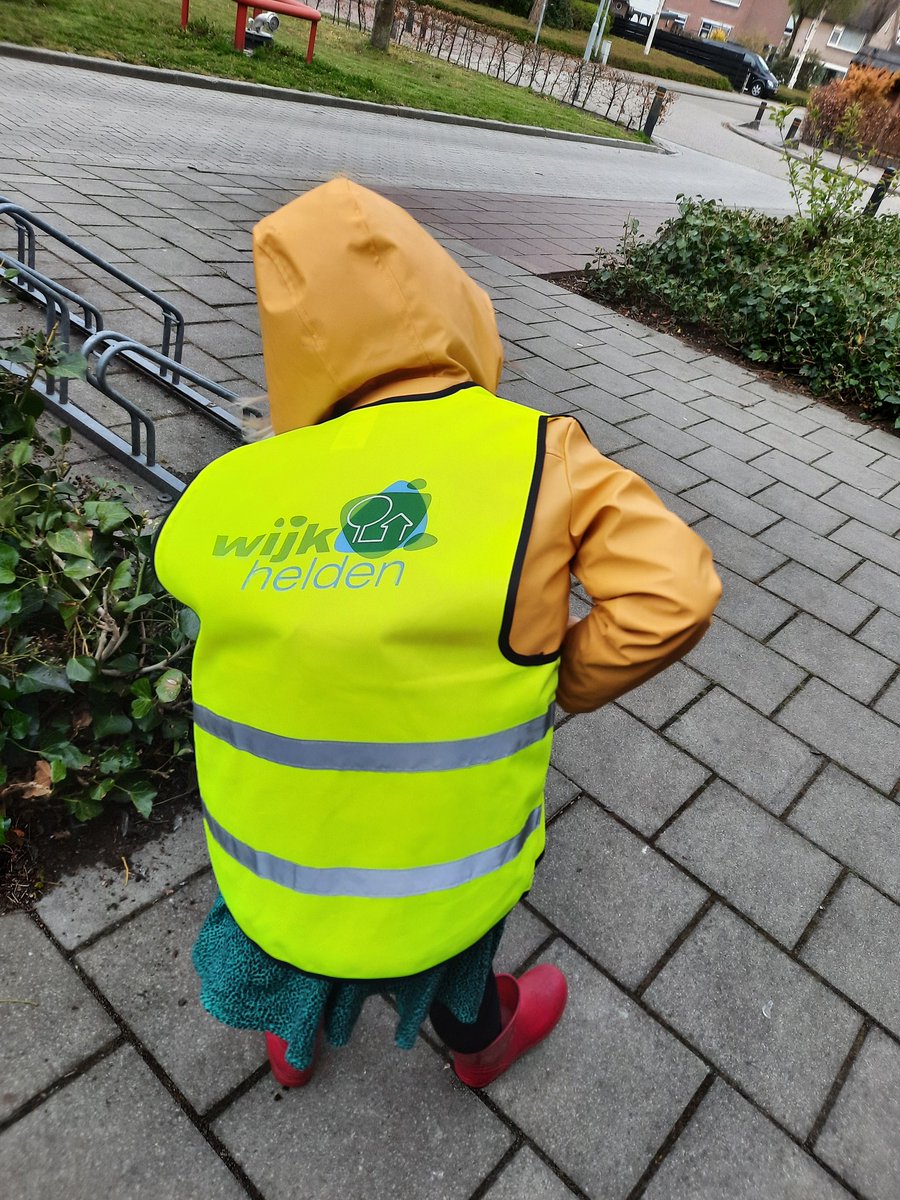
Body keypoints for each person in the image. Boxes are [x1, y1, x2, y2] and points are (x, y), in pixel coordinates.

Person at [153, 178, 721, 1091]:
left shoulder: (235, 484)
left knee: (290, 944)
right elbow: (676, 594)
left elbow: (182, 568)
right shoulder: (542, 455)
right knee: (453, 958)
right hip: (445, 876)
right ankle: (480, 1044)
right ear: (452, 302)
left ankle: (293, 1048)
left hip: (272, 862)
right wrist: (553, 681)